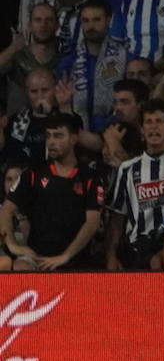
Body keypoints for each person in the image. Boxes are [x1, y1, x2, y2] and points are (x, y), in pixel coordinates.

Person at [0, 113, 102, 271]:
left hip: (77, 259)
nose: (52, 142)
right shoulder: (34, 173)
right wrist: (13, 246)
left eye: (58, 136)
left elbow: (92, 223)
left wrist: (65, 256)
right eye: (48, 136)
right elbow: (6, 210)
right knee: (21, 266)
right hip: (38, 258)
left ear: (73, 139)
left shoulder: (89, 177)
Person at [104, 99, 164, 270]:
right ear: (142, 130)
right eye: (148, 122)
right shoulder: (127, 169)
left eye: (159, 121)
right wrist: (111, 255)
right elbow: (117, 218)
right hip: (137, 250)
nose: (153, 127)